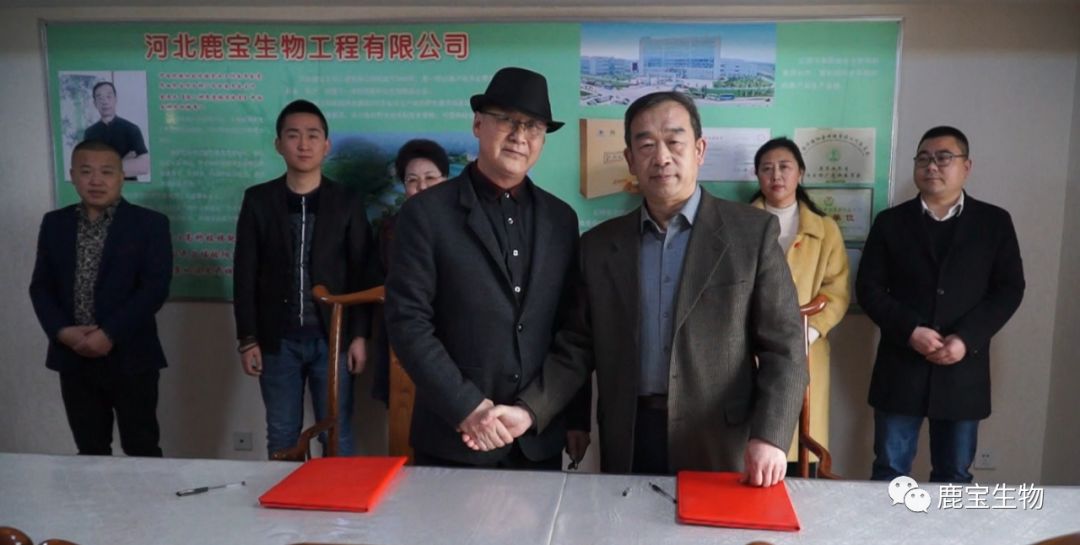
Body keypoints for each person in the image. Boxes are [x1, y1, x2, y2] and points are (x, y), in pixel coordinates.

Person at [469, 91, 808, 487]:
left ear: (699, 150)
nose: (661, 157)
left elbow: (785, 347)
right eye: (646, 145)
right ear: (630, 159)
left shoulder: (751, 234)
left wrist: (770, 437)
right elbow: (576, 348)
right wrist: (529, 411)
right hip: (628, 434)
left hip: (719, 438)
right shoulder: (599, 247)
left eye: (674, 142)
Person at [385, 67, 590, 469]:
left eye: (533, 126)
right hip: (453, 438)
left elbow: (574, 329)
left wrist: (558, 414)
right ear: (478, 124)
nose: (520, 136)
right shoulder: (426, 214)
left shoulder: (561, 219)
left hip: (536, 437)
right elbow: (407, 321)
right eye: (507, 120)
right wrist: (467, 407)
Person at [857, 126, 1025, 483]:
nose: (931, 166)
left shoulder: (994, 222)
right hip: (901, 366)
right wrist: (910, 330)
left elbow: (1009, 289)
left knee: (955, 476)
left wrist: (966, 338)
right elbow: (868, 289)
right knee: (889, 473)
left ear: (967, 166)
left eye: (943, 158)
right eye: (923, 158)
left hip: (963, 370)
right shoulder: (890, 222)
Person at [233, 99, 379, 458]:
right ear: (278, 144)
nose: (303, 144)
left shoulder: (346, 201)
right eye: (293, 135)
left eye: (313, 135)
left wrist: (360, 336)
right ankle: (287, 496)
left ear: (326, 145)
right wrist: (247, 339)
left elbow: (363, 272)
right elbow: (244, 273)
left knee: (337, 432)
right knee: (282, 433)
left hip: (333, 338)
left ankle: (336, 495)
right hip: (276, 340)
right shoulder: (259, 200)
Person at [30, 139, 172, 456]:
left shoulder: (150, 224)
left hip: (131, 355)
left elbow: (154, 289)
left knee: (142, 447)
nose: (96, 180)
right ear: (73, 176)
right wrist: (62, 332)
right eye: (86, 171)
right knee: (89, 450)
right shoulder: (55, 224)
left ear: (122, 177)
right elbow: (40, 287)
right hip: (74, 355)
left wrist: (108, 333)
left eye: (106, 172)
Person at [750, 137, 850, 475]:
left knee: (799, 446)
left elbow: (836, 291)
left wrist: (809, 332)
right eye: (766, 169)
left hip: (807, 347)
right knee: (755, 443)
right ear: (757, 176)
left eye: (784, 167)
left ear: (801, 173)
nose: (776, 175)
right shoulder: (739, 223)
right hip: (750, 349)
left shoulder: (825, 229)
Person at [371, 139, 451, 407]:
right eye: (412, 180)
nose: (422, 187)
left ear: (446, 180)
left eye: (430, 178)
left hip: (451, 340)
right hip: (403, 337)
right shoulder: (390, 229)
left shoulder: (464, 225)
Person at [83, 82, 149, 179]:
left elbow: (144, 166)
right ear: (95, 103)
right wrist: (125, 163)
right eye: (100, 98)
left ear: (115, 99)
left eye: (109, 96)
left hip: (128, 185)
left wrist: (103, 168)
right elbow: (88, 167)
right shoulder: (89, 133)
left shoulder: (131, 129)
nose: (105, 101)